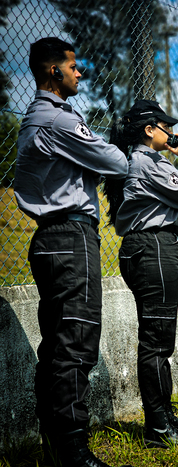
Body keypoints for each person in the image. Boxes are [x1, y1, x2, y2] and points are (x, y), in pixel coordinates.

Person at [14, 37, 132, 467]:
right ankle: (73, 453)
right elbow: (116, 162)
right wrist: (99, 156)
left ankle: (56, 448)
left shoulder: (39, 120)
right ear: (53, 72)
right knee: (76, 345)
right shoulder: (57, 120)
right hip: (70, 237)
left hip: (51, 238)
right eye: (73, 66)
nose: (79, 72)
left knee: (58, 346)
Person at [104, 100, 178, 448]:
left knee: (158, 339)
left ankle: (163, 416)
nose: (171, 133)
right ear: (150, 130)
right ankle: (159, 429)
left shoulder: (142, 161)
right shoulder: (147, 162)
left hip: (147, 250)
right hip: (153, 249)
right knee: (157, 342)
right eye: (165, 126)